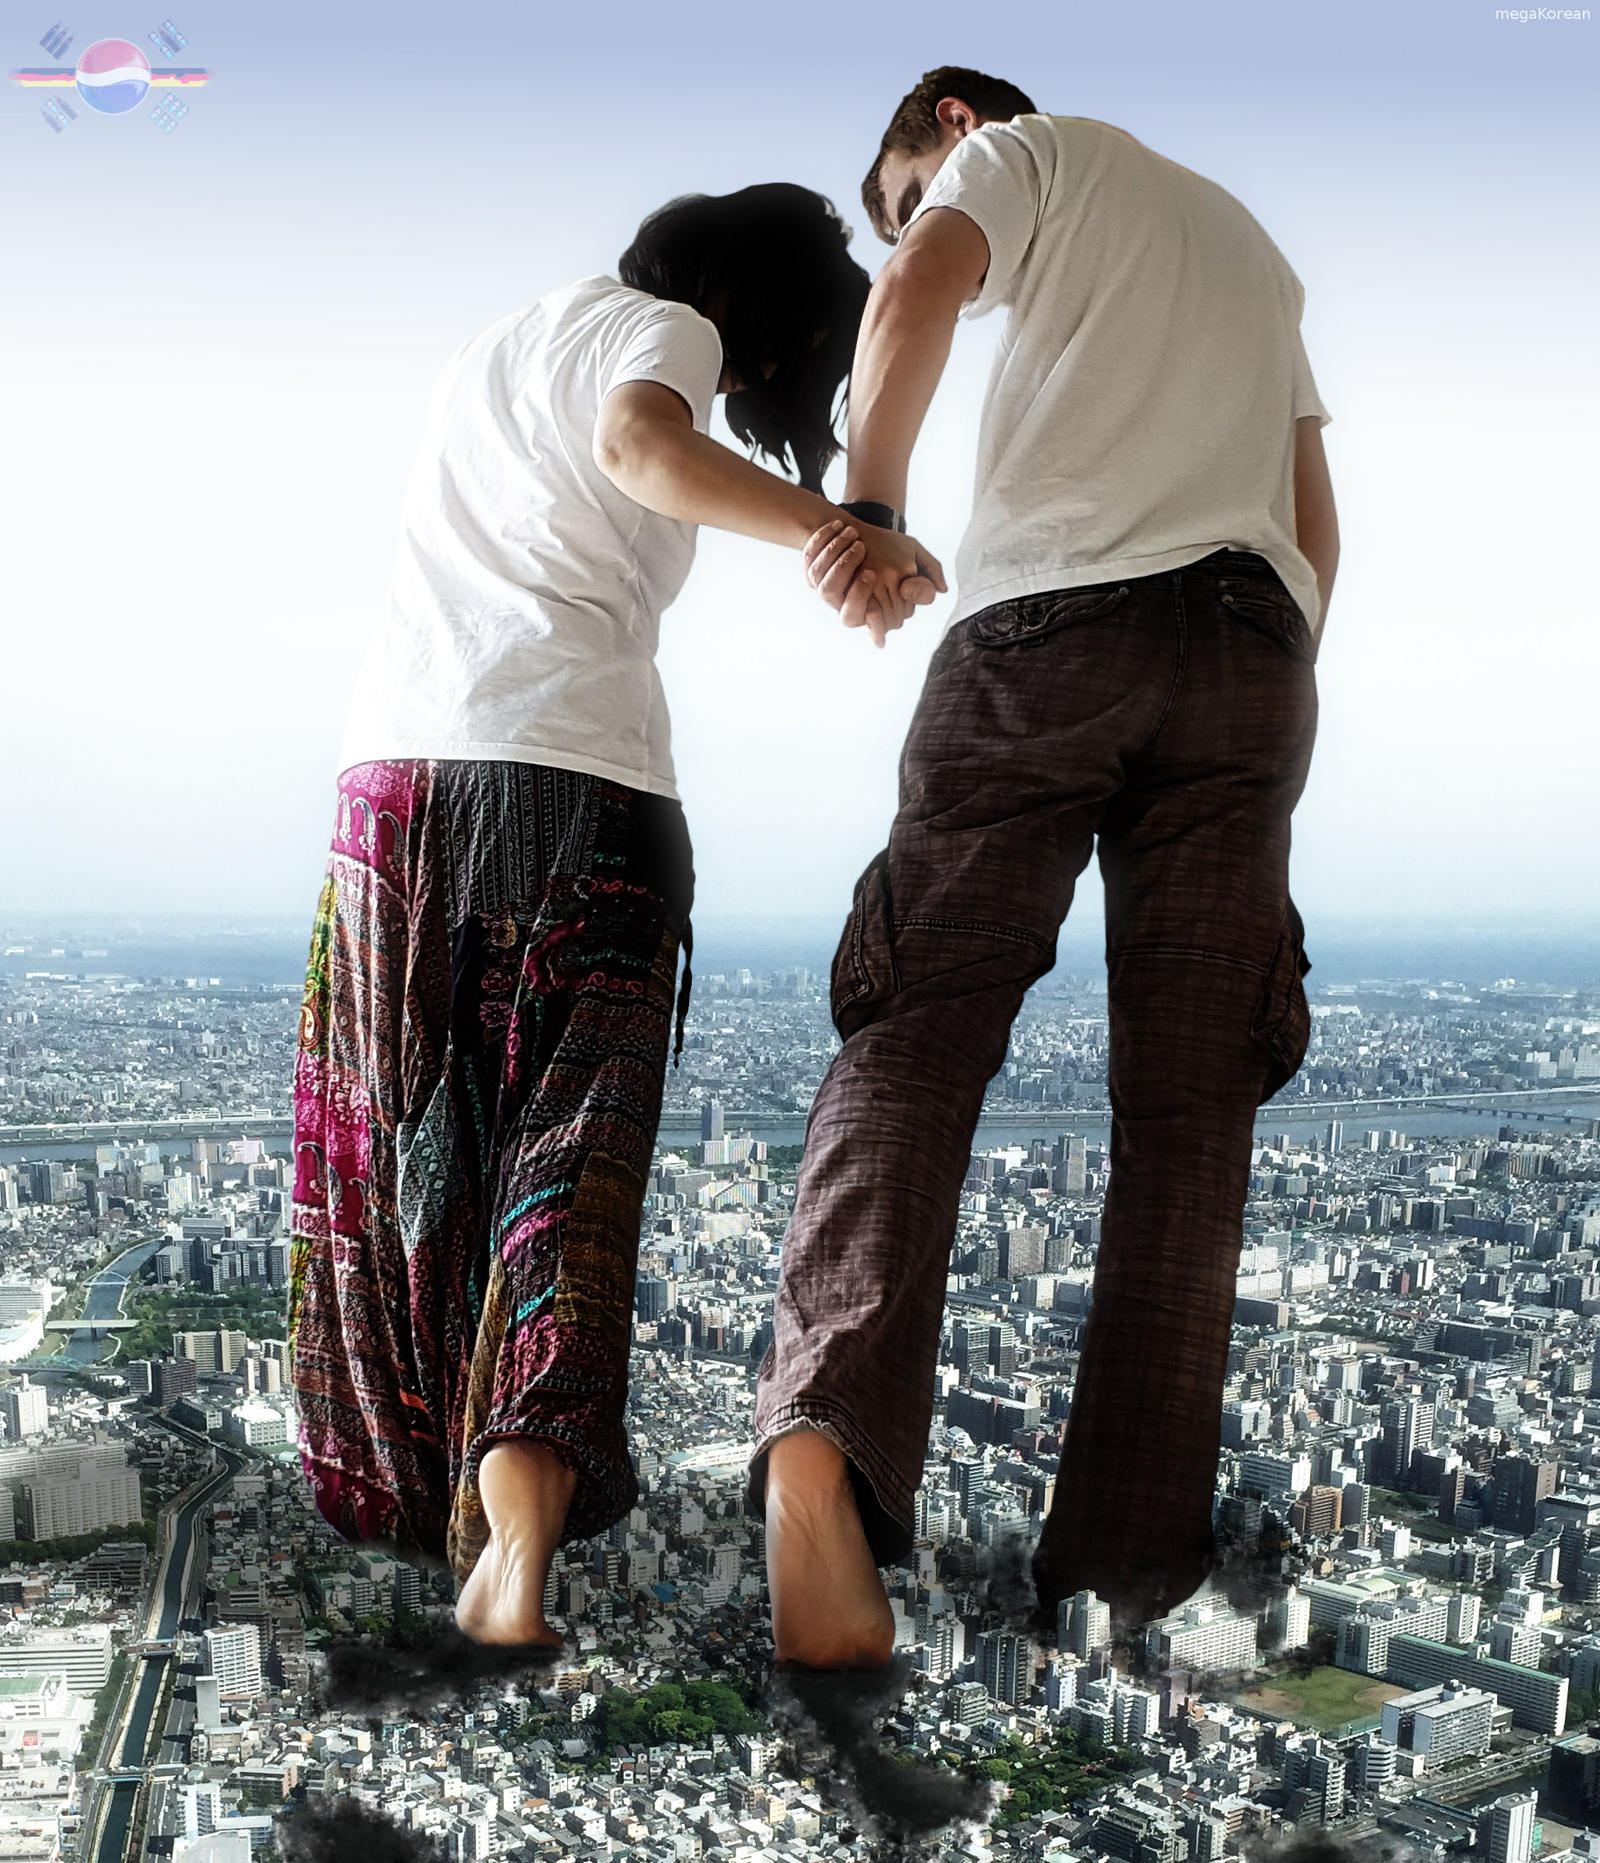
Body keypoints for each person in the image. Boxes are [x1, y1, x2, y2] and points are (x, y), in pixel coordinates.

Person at [288, 183, 941, 1648]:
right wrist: (838, 534)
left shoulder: (492, 348)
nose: (771, 394)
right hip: (575, 791)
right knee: (567, 1171)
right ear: (762, 324)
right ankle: (515, 1535)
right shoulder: (663, 333)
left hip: (390, 796)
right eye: (790, 368)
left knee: (411, 1152)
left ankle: (438, 1512)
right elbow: (641, 445)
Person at [751, 68, 1340, 1666]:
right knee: (1191, 1108)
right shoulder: (1245, 239)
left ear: (945, 123)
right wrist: (1270, 687)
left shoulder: (1013, 154)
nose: (914, 229)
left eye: (900, 195)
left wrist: (869, 505)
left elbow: (923, 292)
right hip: (1250, 657)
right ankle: (1127, 1573)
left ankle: (822, 1459)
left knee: (922, 1027)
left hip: (1045, 632)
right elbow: (1314, 519)